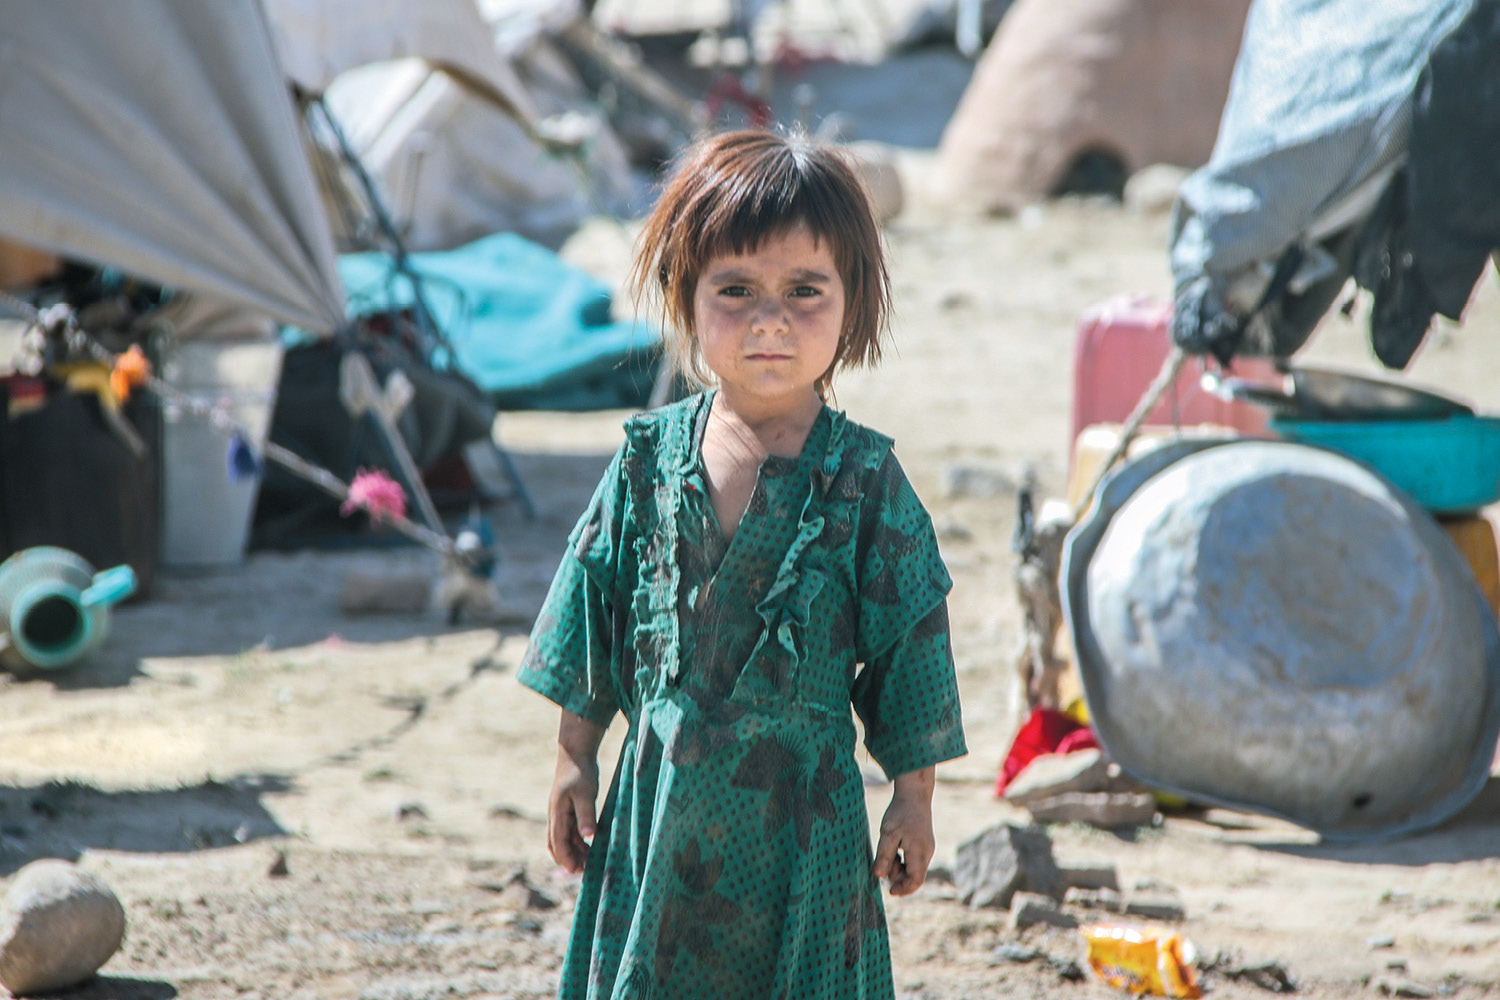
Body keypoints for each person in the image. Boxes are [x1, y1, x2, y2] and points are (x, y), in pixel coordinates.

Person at [517, 127, 967, 1000]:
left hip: (804, 831)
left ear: (855, 302)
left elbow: (913, 641)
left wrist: (913, 797)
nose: (770, 319)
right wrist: (575, 758)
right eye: (736, 289)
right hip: (660, 818)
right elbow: (594, 605)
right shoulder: (646, 461)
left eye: (805, 290)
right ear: (685, 296)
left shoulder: (866, 481)